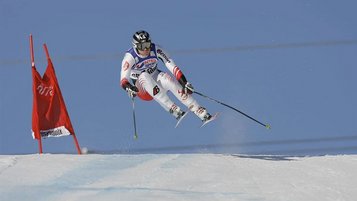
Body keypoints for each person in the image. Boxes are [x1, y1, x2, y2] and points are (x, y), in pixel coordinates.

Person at [120, 30, 214, 125]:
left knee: (168, 79)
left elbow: (171, 66)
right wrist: (129, 88)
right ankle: (173, 109)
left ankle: (200, 111)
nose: (146, 49)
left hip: (156, 79)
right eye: (142, 46)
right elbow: (123, 79)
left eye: (147, 45)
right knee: (144, 75)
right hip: (143, 90)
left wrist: (184, 82)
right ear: (136, 46)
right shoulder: (130, 57)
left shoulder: (156, 49)